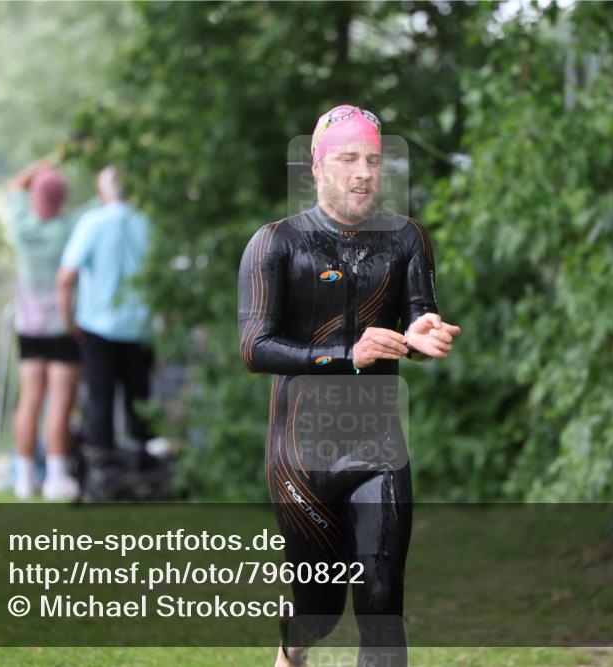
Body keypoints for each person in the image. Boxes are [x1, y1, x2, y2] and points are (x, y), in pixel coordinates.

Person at [237, 105, 461, 667]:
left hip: (377, 448)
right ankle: (292, 649)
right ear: (317, 166)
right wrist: (347, 354)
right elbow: (254, 348)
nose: (363, 172)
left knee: (382, 605)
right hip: (301, 456)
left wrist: (423, 334)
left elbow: (419, 317)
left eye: (373, 161)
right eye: (348, 159)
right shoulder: (276, 243)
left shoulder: (406, 238)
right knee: (318, 611)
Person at [57, 166, 157, 458]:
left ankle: (103, 463)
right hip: (140, 327)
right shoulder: (147, 223)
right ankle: (142, 463)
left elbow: (65, 278)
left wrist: (68, 322)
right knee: (139, 402)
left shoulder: (92, 223)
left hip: (97, 326)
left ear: (101, 192)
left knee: (99, 399)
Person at [7, 158, 88, 501]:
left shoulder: (21, 225)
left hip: (28, 327)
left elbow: (15, 185)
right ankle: (56, 477)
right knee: (60, 404)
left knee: (29, 401)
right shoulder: (69, 227)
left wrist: (50, 160)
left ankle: (24, 478)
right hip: (63, 326)